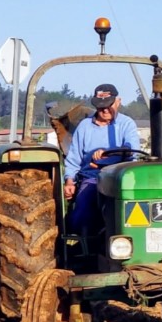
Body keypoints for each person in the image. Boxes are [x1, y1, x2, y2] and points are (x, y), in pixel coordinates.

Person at [63, 83, 142, 234]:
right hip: (93, 178)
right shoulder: (85, 126)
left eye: (108, 105)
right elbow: (74, 158)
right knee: (84, 209)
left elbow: (132, 149)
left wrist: (108, 152)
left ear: (118, 102)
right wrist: (69, 181)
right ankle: (84, 244)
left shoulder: (126, 124)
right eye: (100, 106)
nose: (104, 110)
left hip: (121, 177)